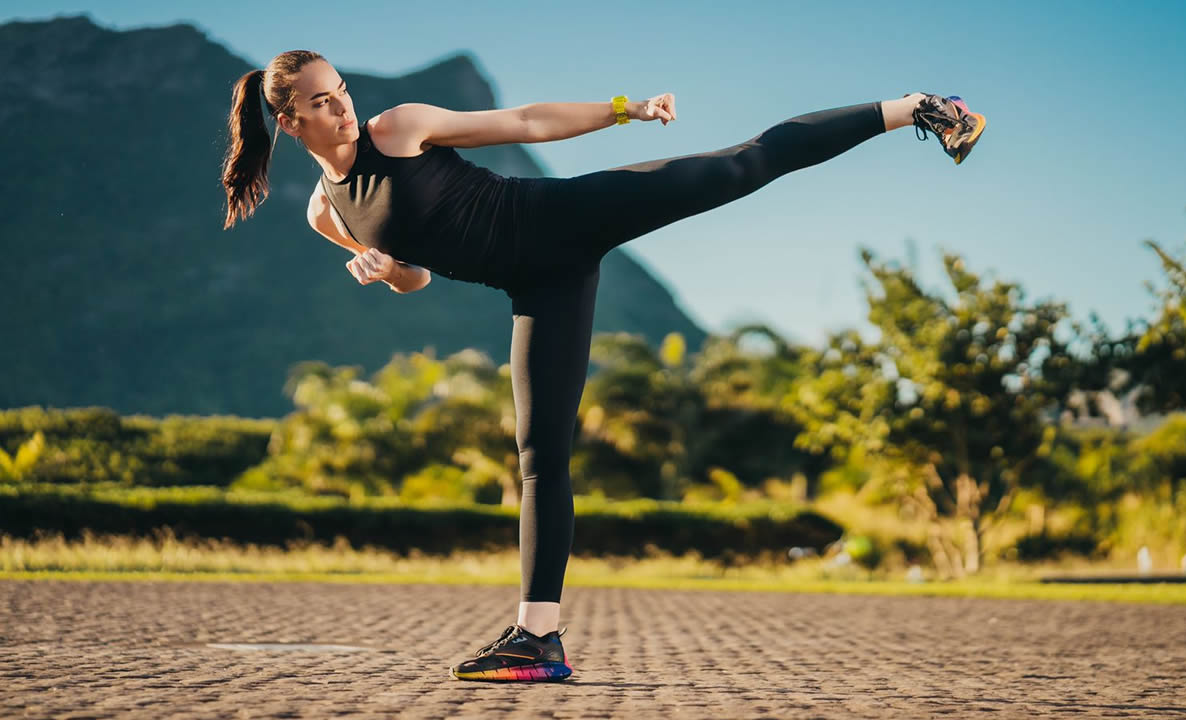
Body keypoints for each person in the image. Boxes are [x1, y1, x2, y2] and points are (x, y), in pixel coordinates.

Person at [220, 50, 986, 683]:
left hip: (563, 215)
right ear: (290, 123)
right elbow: (414, 275)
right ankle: (538, 639)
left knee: (743, 163)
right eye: (323, 102)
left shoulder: (400, 129)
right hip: (540, 287)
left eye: (341, 91)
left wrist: (626, 110)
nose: (343, 106)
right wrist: (384, 270)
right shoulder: (328, 213)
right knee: (538, 456)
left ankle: (919, 105)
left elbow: (524, 122)